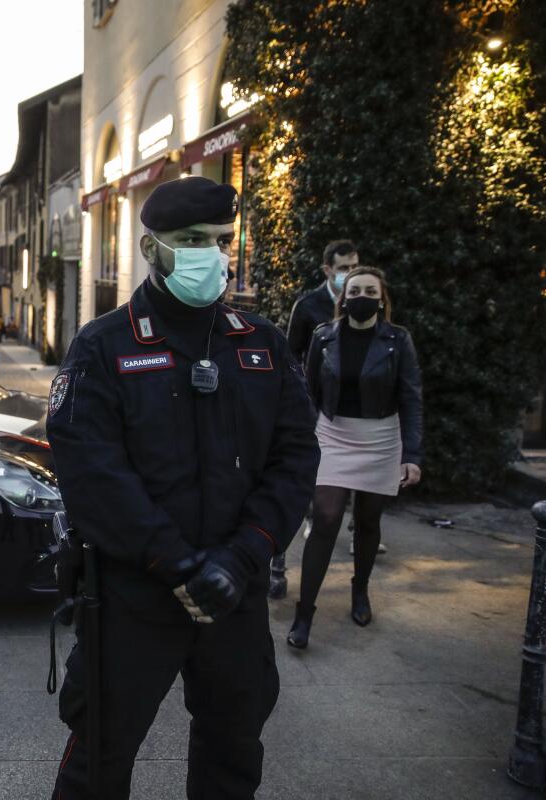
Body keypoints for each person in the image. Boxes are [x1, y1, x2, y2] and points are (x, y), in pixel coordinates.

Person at [47, 176, 319, 800]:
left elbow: (296, 458)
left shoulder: (262, 345)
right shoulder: (104, 346)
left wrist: (245, 554)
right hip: (134, 595)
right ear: (151, 249)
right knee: (100, 754)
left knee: (234, 747)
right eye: (192, 240)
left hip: (232, 591)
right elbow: (91, 472)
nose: (212, 254)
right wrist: (174, 562)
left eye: (222, 240)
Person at [287, 266, 422, 649]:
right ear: (343, 297)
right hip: (333, 433)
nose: (361, 296)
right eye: (354, 289)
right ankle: (304, 613)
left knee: (367, 520)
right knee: (326, 517)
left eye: (369, 290)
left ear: (381, 299)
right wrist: (301, 441)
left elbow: (412, 398)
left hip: (381, 437)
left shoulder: (399, 340)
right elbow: (308, 393)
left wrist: (411, 454)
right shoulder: (324, 336)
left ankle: (360, 590)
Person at [270, 239, 362, 598]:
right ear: (328, 270)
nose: (350, 274)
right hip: (313, 412)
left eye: (355, 266)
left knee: (324, 497)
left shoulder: (365, 304)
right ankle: (278, 564)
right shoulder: (309, 307)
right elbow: (291, 359)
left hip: (350, 416)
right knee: (293, 487)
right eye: (344, 268)